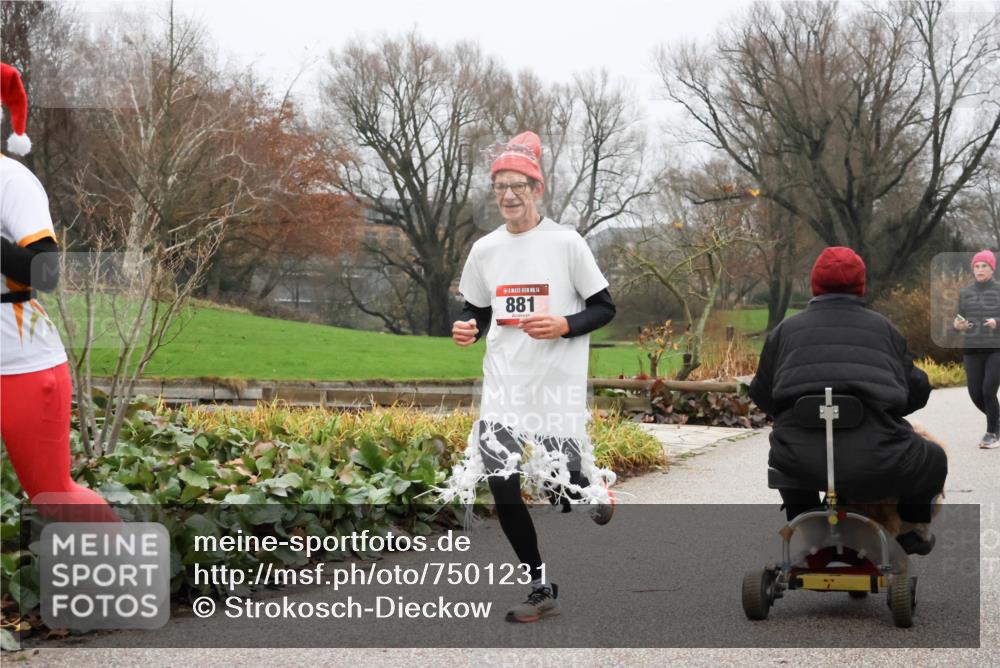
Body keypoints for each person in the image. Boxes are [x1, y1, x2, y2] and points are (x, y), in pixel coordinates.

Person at [441, 131, 617, 623]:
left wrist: (564, 324)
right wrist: (466, 328)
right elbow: (476, 309)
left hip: (554, 382)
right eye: (501, 186)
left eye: (519, 185)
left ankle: (589, 489)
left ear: (537, 189)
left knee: (565, 487)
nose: (509, 195)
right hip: (504, 383)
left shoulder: (566, 243)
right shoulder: (485, 249)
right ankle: (540, 584)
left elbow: (605, 307)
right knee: (502, 481)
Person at [749, 247, 947, 555]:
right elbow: (916, 389)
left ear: (815, 284)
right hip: (876, 458)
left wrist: (791, 414)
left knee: (784, 459)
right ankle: (911, 531)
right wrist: (888, 409)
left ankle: (806, 523)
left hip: (800, 459)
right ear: (861, 286)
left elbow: (761, 392)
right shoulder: (884, 329)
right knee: (934, 459)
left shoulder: (784, 331)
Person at [1, 61, 117, 523]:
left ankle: (130, 577)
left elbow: (46, 272)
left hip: (19, 362)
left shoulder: (11, 181)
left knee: (53, 495)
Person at [953, 249, 1000, 449]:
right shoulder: (965, 293)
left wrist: (997, 322)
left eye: (984, 266)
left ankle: (992, 433)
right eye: (977, 266)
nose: (979, 269)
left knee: (988, 390)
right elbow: (957, 319)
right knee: (975, 393)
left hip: (995, 349)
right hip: (972, 349)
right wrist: (959, 325)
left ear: (992, 269)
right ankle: (997, 423)